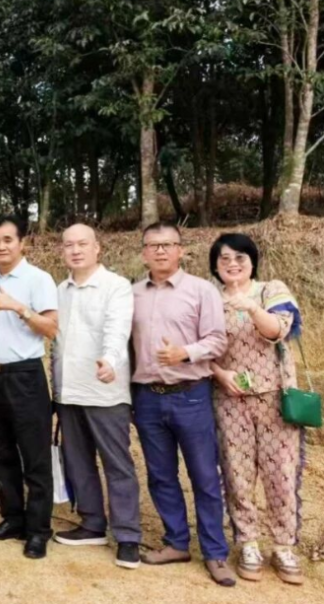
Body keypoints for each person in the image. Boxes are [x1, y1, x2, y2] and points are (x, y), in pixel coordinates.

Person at [130, 223, 234, 586]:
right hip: (147, 397)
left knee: (204, 475)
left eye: (168, 245)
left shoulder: (202, 290)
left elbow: (217, 340)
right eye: (153, 245)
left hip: (191, 394)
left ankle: (215, 552)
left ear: (181, 250)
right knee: (160, 475)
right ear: (143, 252)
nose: (160, 251)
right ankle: (176, 542)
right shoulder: (132, 294)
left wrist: (185, 353)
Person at [209, 233, 305, 585]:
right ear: (215, 266)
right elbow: (200, 348)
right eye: (224, 259)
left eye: (240, 257)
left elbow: (279, 329)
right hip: (229, 399)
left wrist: (250, 307)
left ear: (252, 261)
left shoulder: (271, 290)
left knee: (281, 473)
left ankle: (283, 545)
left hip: (275, 398)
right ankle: (248, 542)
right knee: (237, 473)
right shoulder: (209, 298)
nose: (232, 264)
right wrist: (220, 374)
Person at [51, 224, 141, 569]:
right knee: (78, 460)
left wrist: (111, 360)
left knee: (117, 463)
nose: (75, 251)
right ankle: (92, 523)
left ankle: (128, 535)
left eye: (82, 244)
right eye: (69, 245)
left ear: (97, 248)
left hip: (105, 391)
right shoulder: (59, 290)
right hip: (68, 390)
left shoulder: (115, 286)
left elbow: (117, 329)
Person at [0, 214, 58, 559]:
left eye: (7, 239)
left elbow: (51, 328)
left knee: (34, 456)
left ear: (22, 242)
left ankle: (38, 530)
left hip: (25, 377)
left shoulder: (38, 279)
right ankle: (13, 518)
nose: (0, 246)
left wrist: (18, 308)